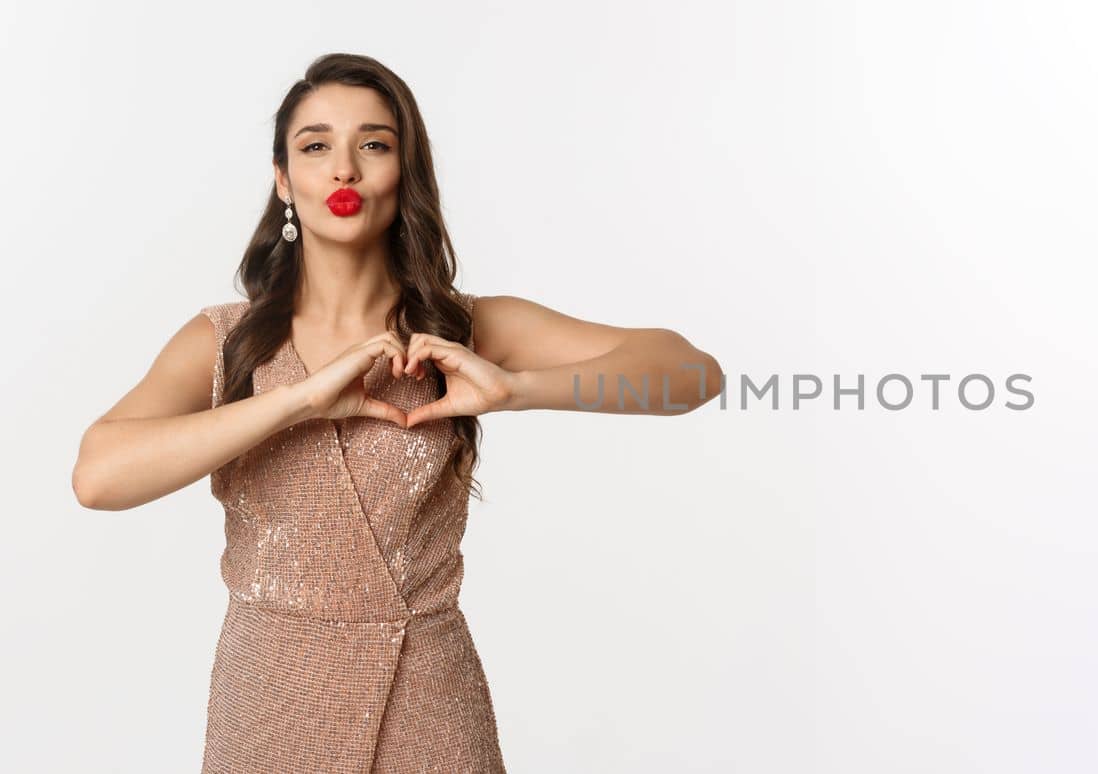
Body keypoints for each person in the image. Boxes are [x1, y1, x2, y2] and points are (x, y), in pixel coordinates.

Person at [70, 52, 723, 773]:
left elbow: (692, 374)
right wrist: (299, 402)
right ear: (284, 180)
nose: (343, 168)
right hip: (266, 704)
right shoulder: (224, 342)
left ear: (403, 172)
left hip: (428, 700)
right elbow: (98, 477)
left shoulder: (465, 328)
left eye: (373, 144)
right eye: (315, 147)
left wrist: (518, 388)